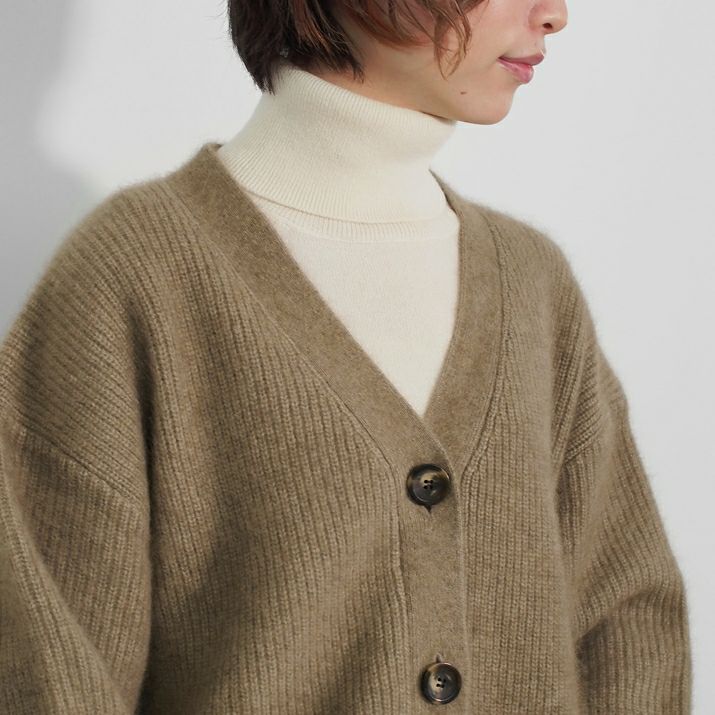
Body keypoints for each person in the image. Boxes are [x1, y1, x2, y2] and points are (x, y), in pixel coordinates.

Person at [0, 1, 692, 712]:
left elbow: (627, 625)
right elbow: (50, 667)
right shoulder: (134, 277)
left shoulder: (531, 284)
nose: (554, 14)